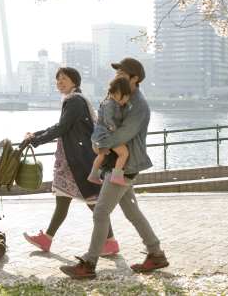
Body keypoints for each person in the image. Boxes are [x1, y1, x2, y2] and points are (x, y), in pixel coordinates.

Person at [60, 57, 168, 279]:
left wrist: (99, 142)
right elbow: (103, 122)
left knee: (100, 212)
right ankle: (156, 253)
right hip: (117, 162)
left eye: (122, 73)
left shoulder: (138, 105)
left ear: (135, 78)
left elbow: (123, 134)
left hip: (126, 165)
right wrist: (98, 137)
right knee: (132, 212)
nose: (117, 76)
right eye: (117, 73)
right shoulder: (118, 95)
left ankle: (89, 263)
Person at [21, 67, 119, 256]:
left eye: (64, 79)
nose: (59, 83)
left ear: (74, 81)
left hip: (78, 160)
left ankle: (110, 241)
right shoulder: (75, 100)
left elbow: (62, 128)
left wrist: (36, 140)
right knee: (64, 199)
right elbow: (62, 126)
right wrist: (36, 135)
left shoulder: (74, 101)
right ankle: (47, 239)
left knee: (92, 202)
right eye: (57, 80)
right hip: (74, 158)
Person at [88, 75, 131, 186]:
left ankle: (93, 175)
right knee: (124, 153)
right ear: (116, 93)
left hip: (100, 136)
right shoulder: (110, 104)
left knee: (102, 155)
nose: (126, 99)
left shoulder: (109, 102)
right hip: (106, 135)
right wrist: (115, 129)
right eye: (125, 96)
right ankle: (116, 176)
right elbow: (108, 120)